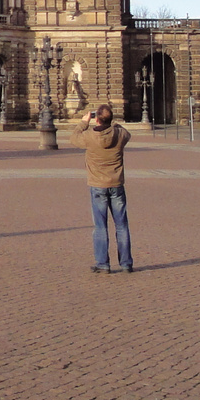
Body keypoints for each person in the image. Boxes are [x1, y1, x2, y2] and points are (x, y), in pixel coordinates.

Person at [69, 104, 135, 274]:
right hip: (116, 185)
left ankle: (103, 264)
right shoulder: (120, 134)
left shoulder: (89, 136)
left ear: (96, 118)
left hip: (97, 186)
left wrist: (84, 122)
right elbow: (127, 133)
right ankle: (126, 263)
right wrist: (112, 123)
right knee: (122, 225)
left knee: (100, 226)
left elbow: (73, 138)